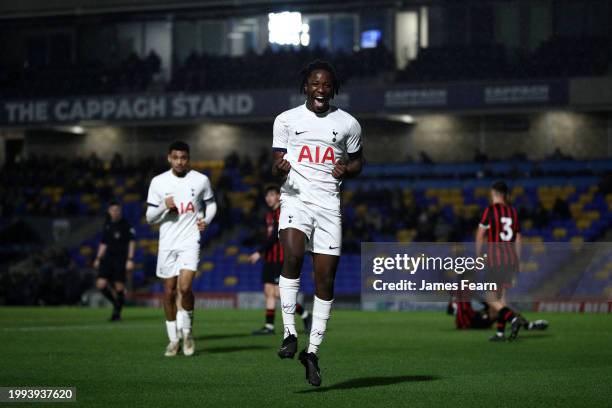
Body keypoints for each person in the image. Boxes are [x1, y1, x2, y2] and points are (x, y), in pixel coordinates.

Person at [272, 60, 364, 386]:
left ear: (333, 88)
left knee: (325, 281)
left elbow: (358, 161)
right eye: (315, 83)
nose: (320, 89)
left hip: (329, 208)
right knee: (293, 255)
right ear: (306, 86)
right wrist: (280, 168)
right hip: (295, 200)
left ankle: (311, 353)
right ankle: (288, 333)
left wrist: (347, 170)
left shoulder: (349, 124)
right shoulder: (285, 120)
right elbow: (276, 163)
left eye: (326, 84)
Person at [145, 141, 217, 357]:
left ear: (188, 159)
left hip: (190, 240)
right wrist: (163, 206)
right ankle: (173, 340)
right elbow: (149, 217)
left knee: (184, 289)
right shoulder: (158, 182)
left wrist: (207, 219)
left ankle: (187, 333)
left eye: (183, 158)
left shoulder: (200, 180)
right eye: (175, 157)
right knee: (168, 292)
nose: (179, 161)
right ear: (169, 158)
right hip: (167, 243)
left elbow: (211, 204)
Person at [249, 184, 311, 335]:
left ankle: (305, 315)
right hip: (270, 259)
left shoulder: (282, 212)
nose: (269, 198)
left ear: (278, 196)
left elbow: (274, 236)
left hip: (280, 258)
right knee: (269, 292)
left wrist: (259, 252)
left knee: (279, 294)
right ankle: (269, 327)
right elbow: (267, 236)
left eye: (272, 194)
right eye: (267, 195)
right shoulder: (268, 215)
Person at [476, 181, 531, 341]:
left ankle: (512, 319)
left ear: (493, 193)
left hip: (495, 260)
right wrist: (518, 260)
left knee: (491, 298)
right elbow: (519, 238)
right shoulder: (513, 212)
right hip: (510, 260)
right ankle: (501, 332)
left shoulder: (490, 211)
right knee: (502, 298)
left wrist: (479, 255)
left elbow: (480, 234)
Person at [93, 200, 135, 321]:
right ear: (109, 211)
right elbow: (103, 243)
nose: (115, 212)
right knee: (100, 284)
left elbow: (132, 243)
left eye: (117, 210)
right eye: (113, 210)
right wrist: (98, 258)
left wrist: (130, 259)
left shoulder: (126, 225)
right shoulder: (107, 224)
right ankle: (117, 303)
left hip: (120, 259)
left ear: (120, 212)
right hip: (107, 258)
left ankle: (116, 313)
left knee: (119, 287)